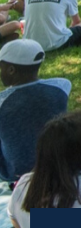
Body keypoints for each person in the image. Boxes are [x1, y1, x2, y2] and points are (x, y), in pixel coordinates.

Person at [0, 39, 70, 182]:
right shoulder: (62, 87)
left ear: (11, 70)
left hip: (16, 173)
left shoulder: (2, 101)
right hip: (61, 164)